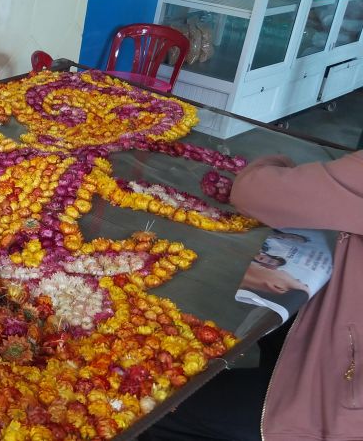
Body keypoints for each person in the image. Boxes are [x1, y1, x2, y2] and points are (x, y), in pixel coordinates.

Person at [139, 151, 363, 441]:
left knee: (153, 408)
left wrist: (278, 161)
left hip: (339, 404)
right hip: (344, 355)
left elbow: (255, 191)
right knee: (277, 330)